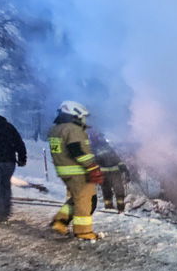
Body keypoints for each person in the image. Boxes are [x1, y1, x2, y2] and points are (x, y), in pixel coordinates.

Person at [47, 101, 104, 241]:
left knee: (77, 199)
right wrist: (92, 166)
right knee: (86, 200)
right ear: (75, 114)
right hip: (78, 171)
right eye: (82, 117)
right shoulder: (72, 129)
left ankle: (60, 222)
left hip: (65, 170)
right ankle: (83, 232)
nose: (83, 119)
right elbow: (77, 150)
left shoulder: (56, 129)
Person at [88, 129, 130, 213]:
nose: (102, 138)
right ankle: (108, 208)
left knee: (119, 190)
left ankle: (121, 209)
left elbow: (115, 157)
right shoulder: (91, 148)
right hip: (103, 172)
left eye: (101, 137)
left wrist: (123, 167)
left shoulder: (107, 146)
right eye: (99, 136)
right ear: (94, 138)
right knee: (106, 191)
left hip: (115, 171)